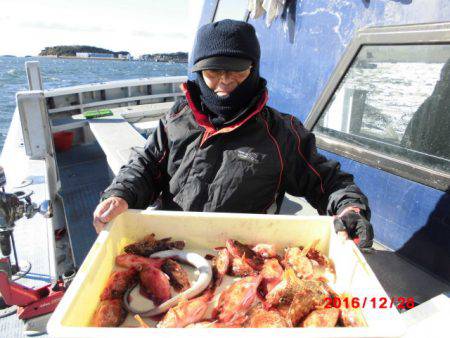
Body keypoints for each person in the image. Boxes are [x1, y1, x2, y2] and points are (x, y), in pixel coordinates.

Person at [93, 19, 374, 248]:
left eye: (237, 69)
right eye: (213, 71)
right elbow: (145, 167)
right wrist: (120, 194)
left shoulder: (281, 132)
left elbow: (327, 180)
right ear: (198, 72)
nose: (225, 81)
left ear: (253, 68)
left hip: (244, 255)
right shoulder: (176, 118)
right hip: (171, 245)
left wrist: (350, 208)